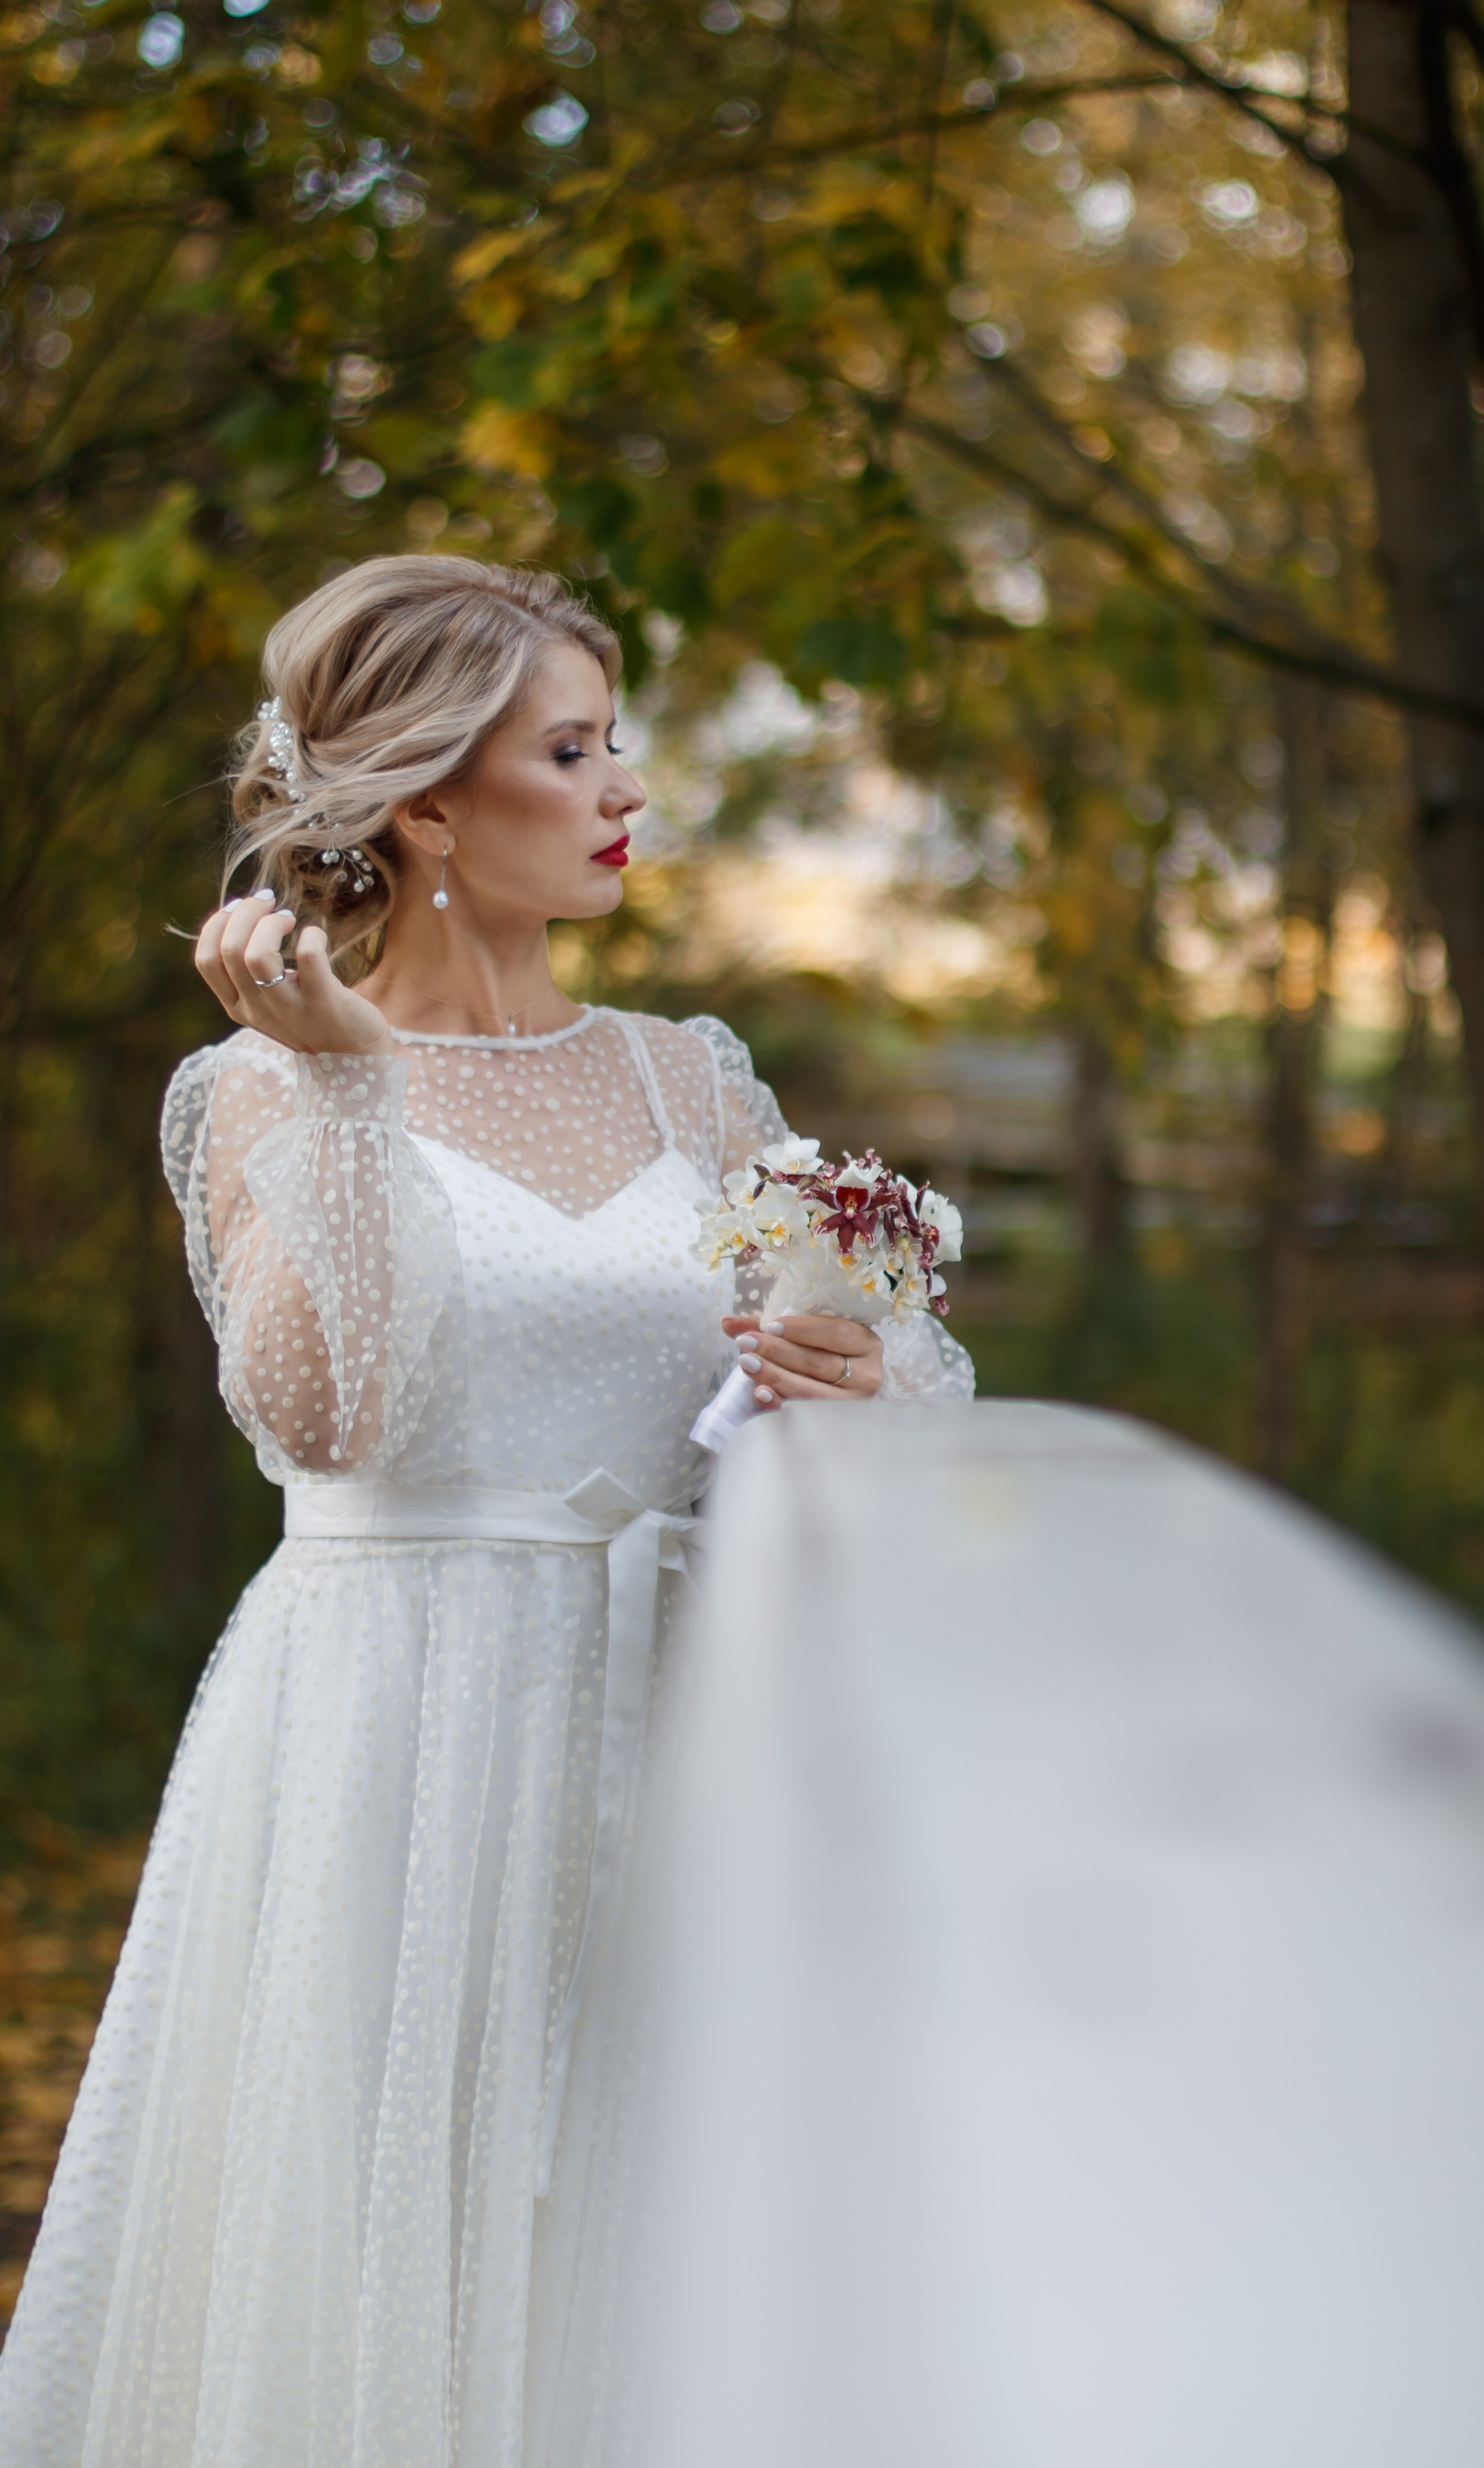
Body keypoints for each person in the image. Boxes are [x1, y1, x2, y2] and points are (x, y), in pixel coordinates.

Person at [0, 556, 973, 2465]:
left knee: (649, 2229)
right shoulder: (263, 1088)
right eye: (572, 748)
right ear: (429, 803)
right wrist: (353, 1097)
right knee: (384, 2229)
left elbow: (882, 1407)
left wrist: (860, 1378)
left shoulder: (694, 1083)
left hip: (677, 1740)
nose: (628, 794)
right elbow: (328, 1413)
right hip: (396, 1743)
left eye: (621, 744)